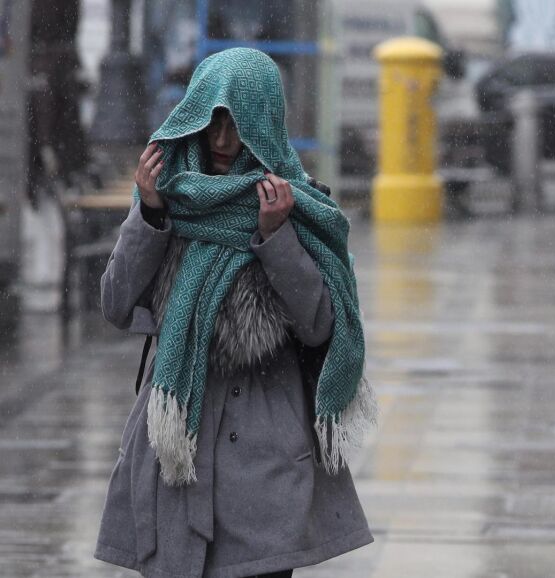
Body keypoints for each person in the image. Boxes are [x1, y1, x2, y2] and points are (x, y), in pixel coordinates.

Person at [94, 49, 377, 578]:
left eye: (238, 123)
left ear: (262, 125)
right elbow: (115, 304)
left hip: (263, 463)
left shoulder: (298, 205)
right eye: (213, 121)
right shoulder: (169, 198)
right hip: (174, 457)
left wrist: (276, 237)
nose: (223, 139)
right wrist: (149, 214)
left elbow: (319, 326)